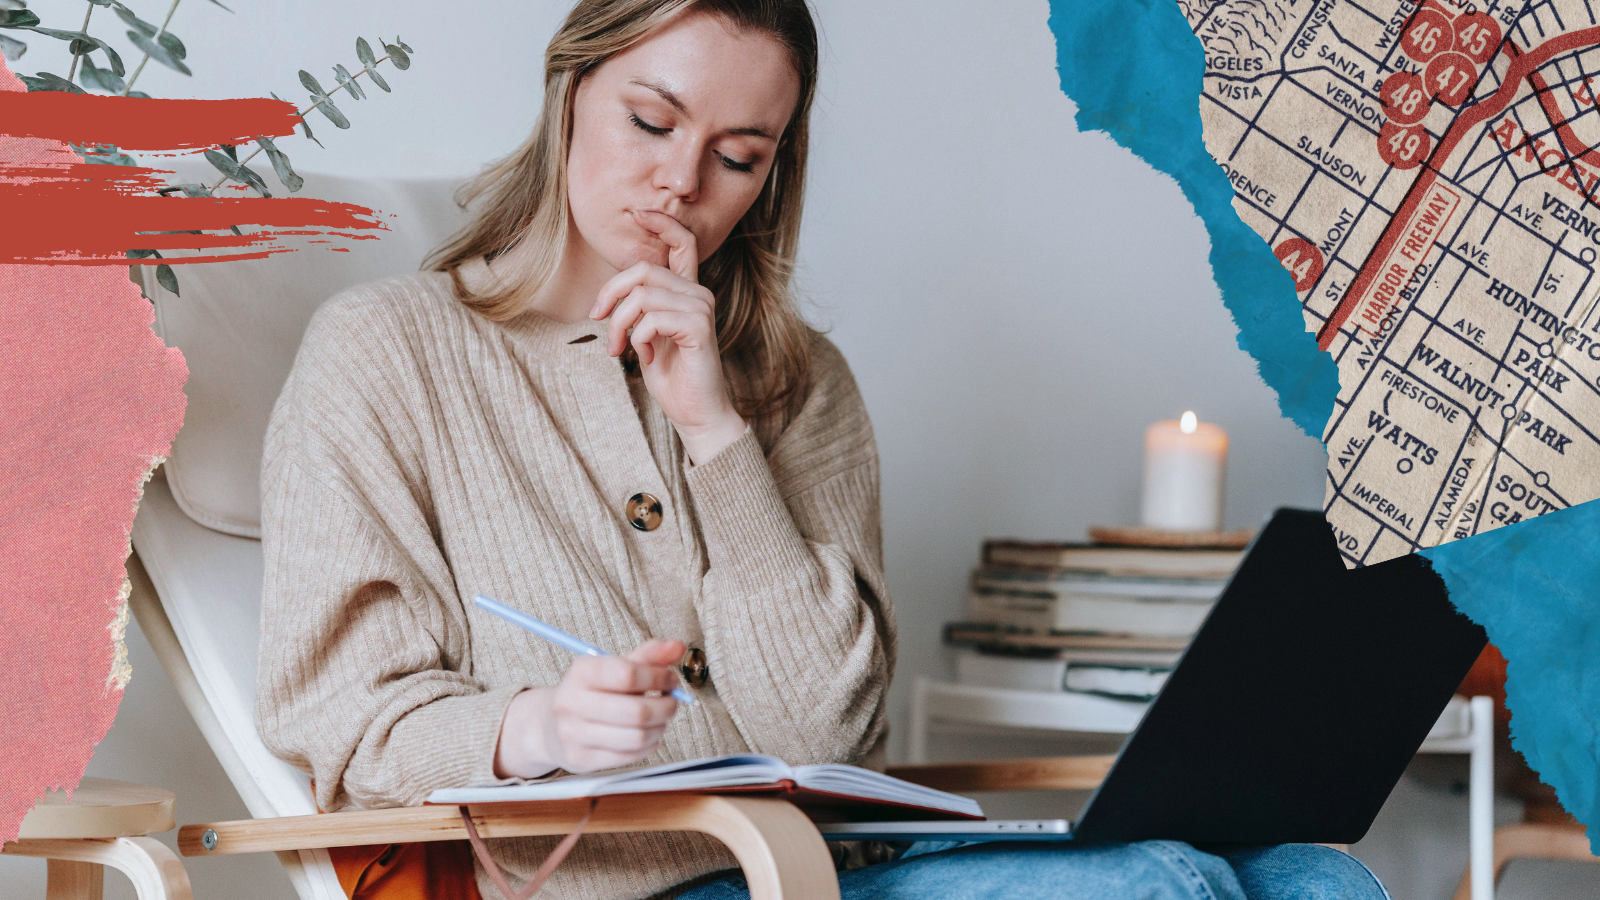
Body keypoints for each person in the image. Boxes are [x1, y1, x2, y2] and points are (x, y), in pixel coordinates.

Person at [255, 1, 1393, 898]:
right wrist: (538, 727)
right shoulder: (387, 353)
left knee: (1317, 879)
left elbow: (820, 730)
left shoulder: (796, 384)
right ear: (569, 89)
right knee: (1159, 883)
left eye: (738, 155)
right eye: (651, 123)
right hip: (613, 887)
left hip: (824, 874)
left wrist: (712, 429)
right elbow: (342, 722)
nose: (683, 184)